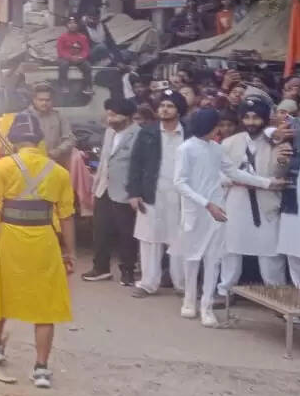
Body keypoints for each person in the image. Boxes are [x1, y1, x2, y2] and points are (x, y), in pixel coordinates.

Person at [0, 112, 75, 388]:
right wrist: (70, 252)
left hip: (10, 237)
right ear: (39, 140)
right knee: (45, 306)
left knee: (1, 293)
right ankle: (41, 369)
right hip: (44, 239)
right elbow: (66, 217)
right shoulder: (59, 173)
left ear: (14, 140)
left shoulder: (4, 167)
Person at [175, 109, 265, 325]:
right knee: (192, 257)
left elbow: (233, 172)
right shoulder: (185, 149)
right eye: (217, 125)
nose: (219, 129)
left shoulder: (216, 148)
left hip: (218, 212)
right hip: (196, 211)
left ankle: (206, 305)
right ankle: (189, 301)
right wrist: (206, 204)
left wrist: (266, 182)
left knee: (213, 260)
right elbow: (180, 183)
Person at [218, 96, 289, 293]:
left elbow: (278, 178)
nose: (250, 122)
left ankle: (277, 297)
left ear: (265, 119)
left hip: (266, 206)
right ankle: (225, 292)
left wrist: (283, 162)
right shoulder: (229, 143)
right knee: (230, 251)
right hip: (235, 203)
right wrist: (250, 182)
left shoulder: (277, 143)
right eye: (247, 117)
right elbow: (219, 176)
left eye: (256, 118)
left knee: (270, 254)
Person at [127, 90, 190, 297]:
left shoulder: (189, 133)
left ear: (179, 110)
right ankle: (147, 284)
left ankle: (182, 284)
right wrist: (134, 193)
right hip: (152, 193)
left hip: (182, 195)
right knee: (149, 239)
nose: (164, 109)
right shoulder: (148, 132)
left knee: (180, 238)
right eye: (162, 105)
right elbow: (135, 163)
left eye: (170, 106)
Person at [81, 98, 141, 285]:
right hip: (104, 189)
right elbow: (104, 161)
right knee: (100, 230)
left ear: (128, 117)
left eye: (114, 115)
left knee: (126, 233)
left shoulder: (139, 135)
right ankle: (100, 268)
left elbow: (140, 167)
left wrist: (135, 192)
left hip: (125, 192)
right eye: (108, 114)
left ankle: (128, 271)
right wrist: (95, 185)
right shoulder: (109, 132)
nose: (110, 118)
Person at [56, 17, 92, 95]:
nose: (72, 25)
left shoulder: (83, 37)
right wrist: (70, 57)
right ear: (67, 25)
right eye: (70, 23)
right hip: (65, 59)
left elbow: (86, 50)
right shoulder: (62, 37)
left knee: (87, 66)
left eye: (74, 23)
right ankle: (63, 86)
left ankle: (87, 86)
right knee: (63, 65)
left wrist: (81, 57)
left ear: (78, 25)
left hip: (78, 59)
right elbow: (60, 51)